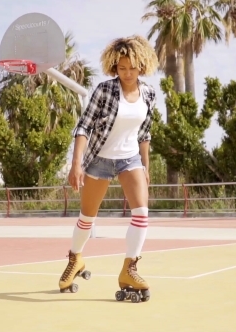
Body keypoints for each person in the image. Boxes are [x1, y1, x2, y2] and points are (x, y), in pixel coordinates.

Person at [58, 34, 159, 301]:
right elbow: (83, 127)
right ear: (114, 66)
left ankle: (130, 269)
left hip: (130, 159)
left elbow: (145, 134)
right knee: (87, 218)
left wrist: (146, 167)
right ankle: (75, 259)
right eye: (122, 67)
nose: (127, 73)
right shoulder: (104, 90)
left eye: (133, 67)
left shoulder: (149, 93)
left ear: (142, 65)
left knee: (142, 214)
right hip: (100, 160)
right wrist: (76, 164)